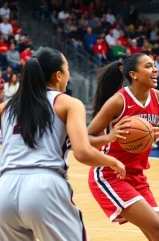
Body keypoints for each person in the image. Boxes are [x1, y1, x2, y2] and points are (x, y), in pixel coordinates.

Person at [0, 47, 125, 241]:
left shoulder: (6, 106)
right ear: (58, 75)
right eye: (67, 69)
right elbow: (82, 152)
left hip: (4, 189)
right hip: (44, 186)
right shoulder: (68, 103)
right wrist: (112, 161)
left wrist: (106, 139)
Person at [87, 53, 159, 241]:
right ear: (134, 74)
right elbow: (85, 138)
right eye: (149, 66)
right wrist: (109, 137)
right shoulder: (119, 101)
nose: (155, 70)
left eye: (154, 65)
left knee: (157, 235)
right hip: (110, 174)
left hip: (137, 176)